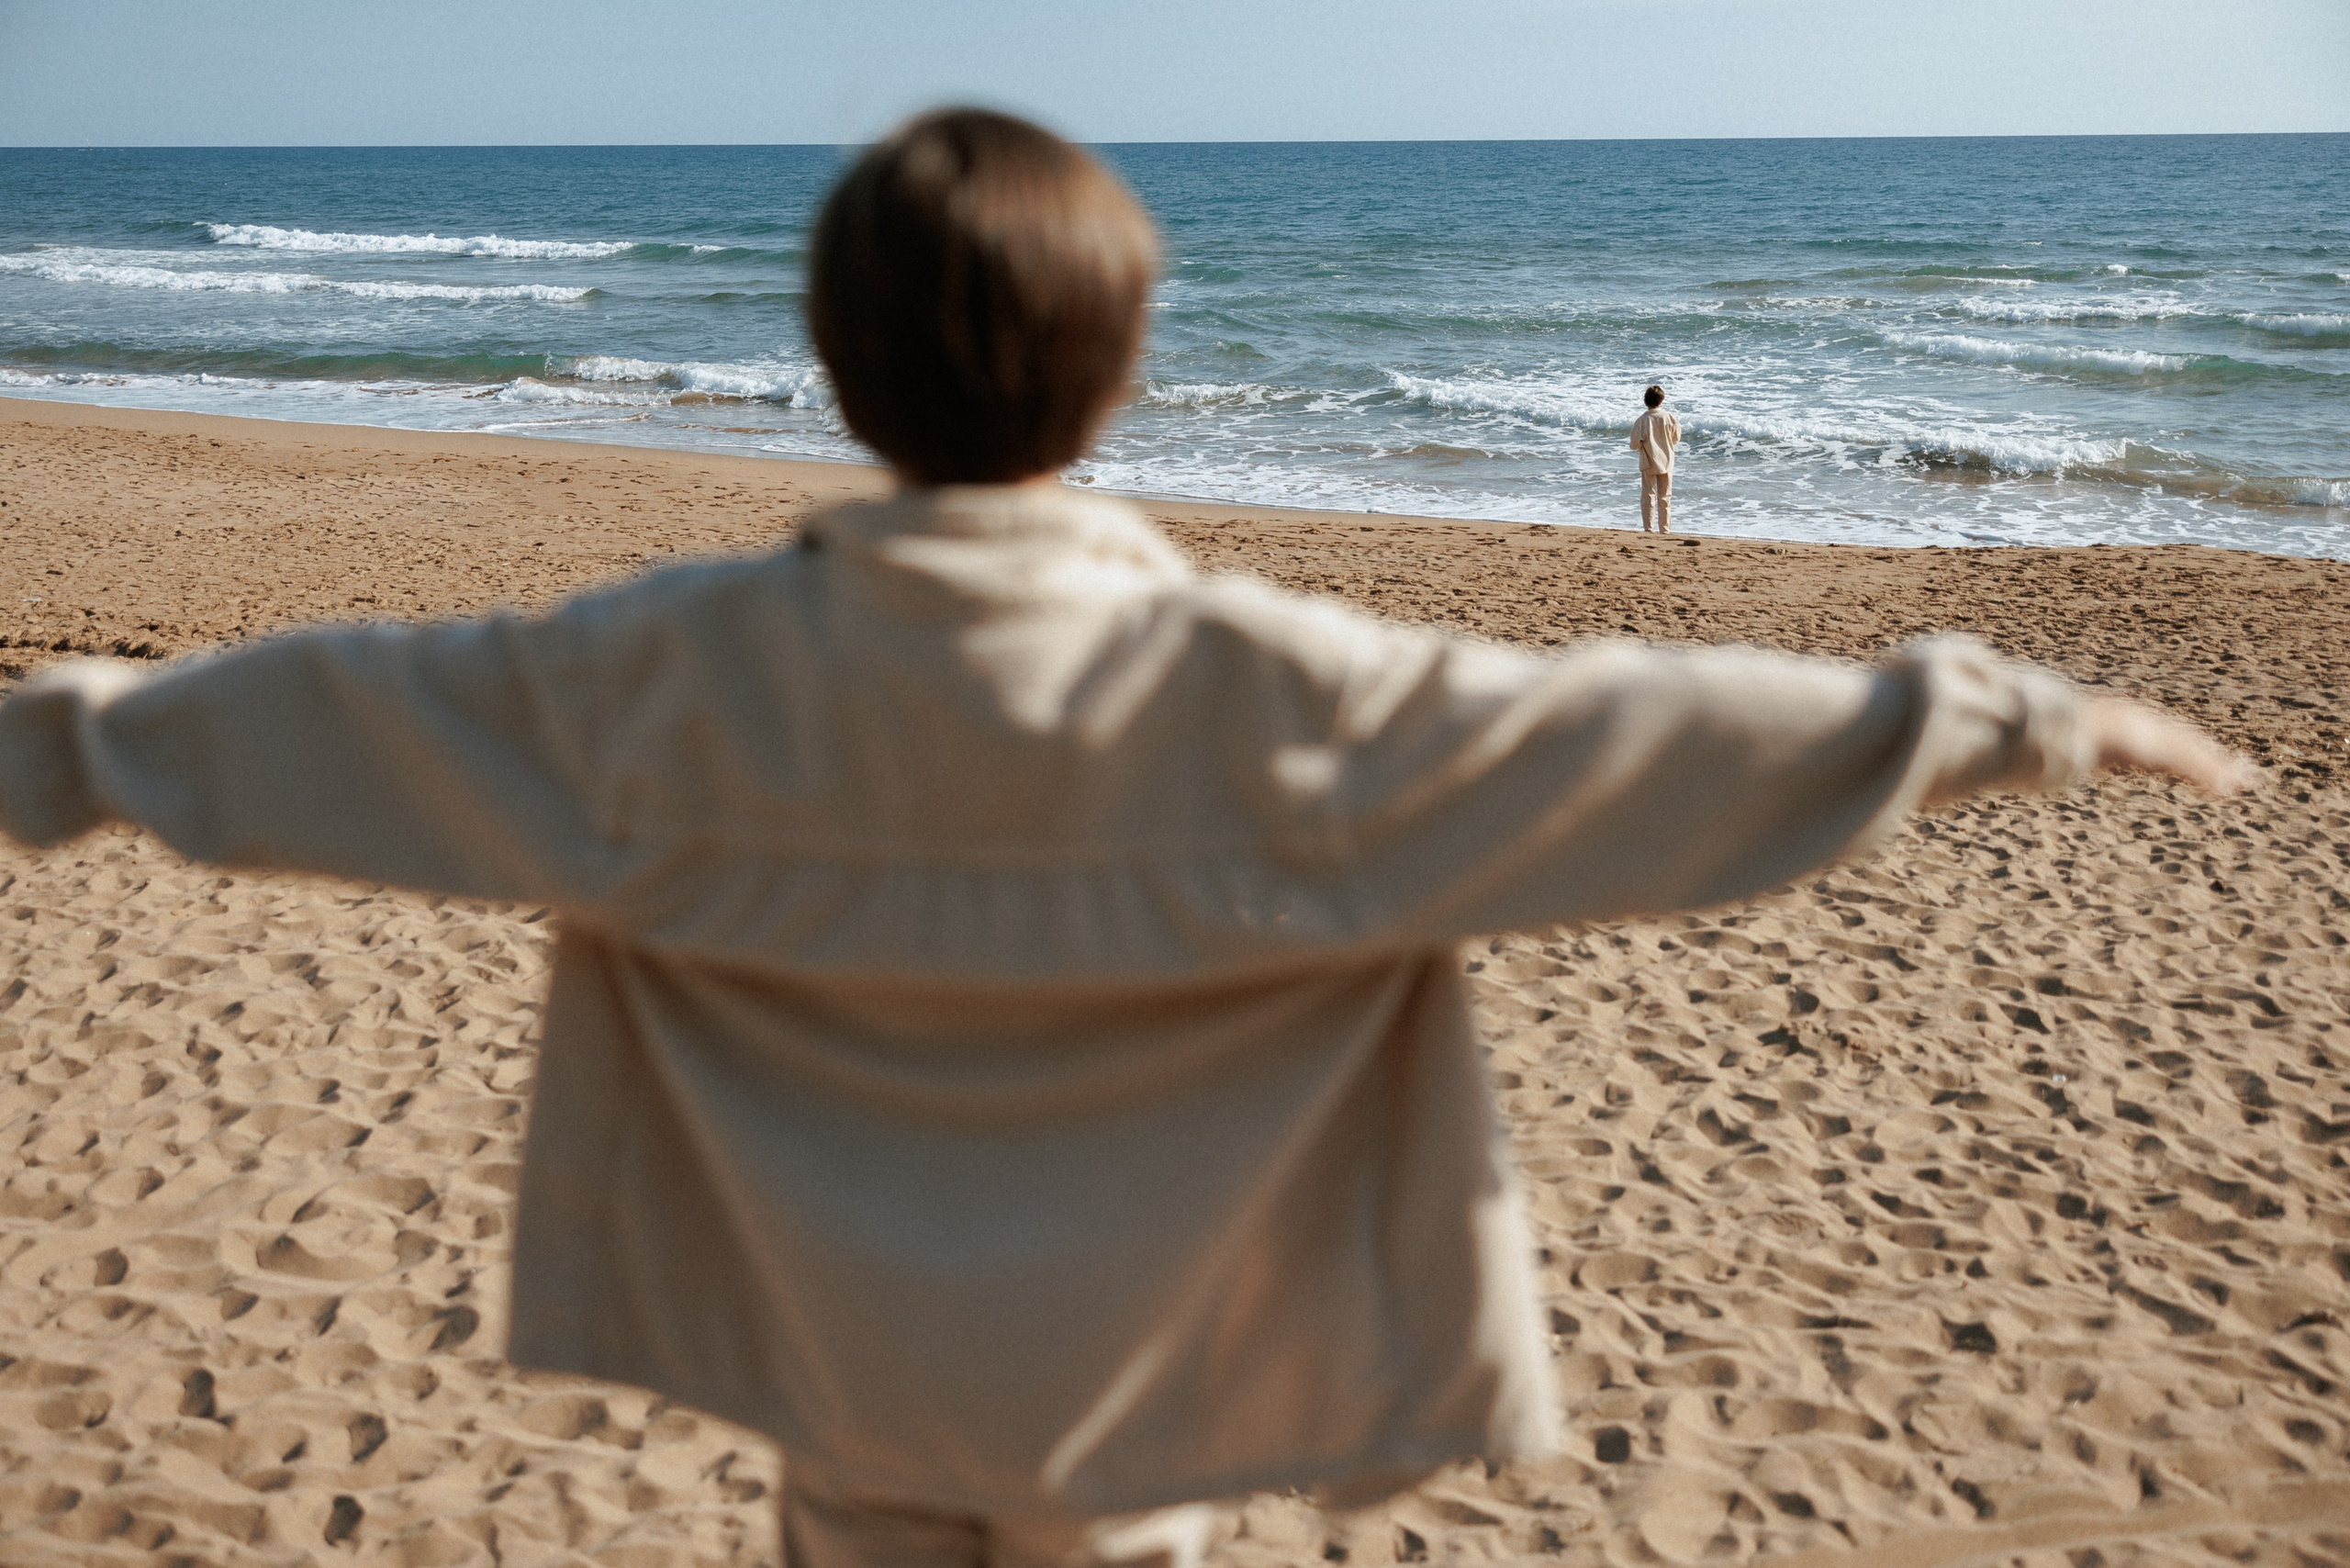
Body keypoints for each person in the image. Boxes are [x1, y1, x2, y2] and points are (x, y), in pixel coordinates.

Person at [0, 109, 2248, 1568]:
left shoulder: (657, 681)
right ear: (1122, 373)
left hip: (841, 1379)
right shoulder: (1273, 695)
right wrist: (2000, 716)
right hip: (1144, 1390)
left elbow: (332, 718)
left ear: (833, 360)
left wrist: (62, 749)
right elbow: (1633, 742)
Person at [1630, 384, 1680, 533]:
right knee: (1665, 497)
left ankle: (1649, 528)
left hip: (1648, 461)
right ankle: (1665, 529)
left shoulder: (1642, 420)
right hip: (1666, 460)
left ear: (1646, 401)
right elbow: (1676, 437)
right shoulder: (1669, 417)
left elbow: (1634, 444)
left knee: (1648, 496)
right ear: (1661, 400)